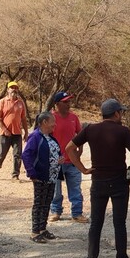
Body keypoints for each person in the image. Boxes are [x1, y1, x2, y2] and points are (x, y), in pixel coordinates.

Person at [66, 98, 130, 258]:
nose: (121, 115)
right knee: (119, 224)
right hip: (119, 183)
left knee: (96, 224)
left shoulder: (90, 129)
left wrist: (83, 169)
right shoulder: (123, 131)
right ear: (116, 113)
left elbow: (69, 147)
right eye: (121, 112)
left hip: (98, 181)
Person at [22, 111, 62, 243]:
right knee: (39, 203)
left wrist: (59, 159)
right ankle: (35, 232)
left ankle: (42, 229)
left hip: (51, 176)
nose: (54, 125)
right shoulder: (35, 136)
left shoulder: (50, 137)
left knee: (47, 202)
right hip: (40, 176)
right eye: (52, 122)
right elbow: (26, 155)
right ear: (44, 122)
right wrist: (31, 173)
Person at [49, 92, 89, 223]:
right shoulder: (51, 118)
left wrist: (80, 151)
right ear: (57, 104)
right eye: (65, 102)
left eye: (69, 102)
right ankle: (55, 211)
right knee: (56, 190)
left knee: (75, 188)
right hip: (56, 161)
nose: (68, 104)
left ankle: (77, 213)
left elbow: (80, 135)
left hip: (72, 161)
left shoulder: (74, 118)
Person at [0, 81, 29, 181]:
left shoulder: (20, 103)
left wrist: (26, 132)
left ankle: (15, 175)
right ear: (8, 90)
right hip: (4, 134)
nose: (14, 90)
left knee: (17, 155)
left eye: (15, 88)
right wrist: (4, 129)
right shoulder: (2, 102)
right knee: (1, 153)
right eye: (12, 88)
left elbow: (24, 118)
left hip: (17, 134)